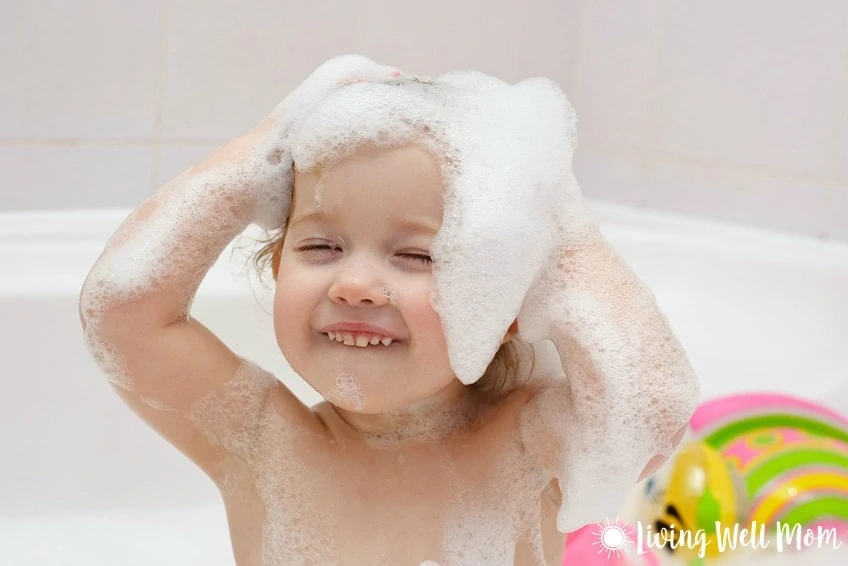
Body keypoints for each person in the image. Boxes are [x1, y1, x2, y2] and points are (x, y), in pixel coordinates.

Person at [78, 55, 699, 566]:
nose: (355, 284)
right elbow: (123, 310)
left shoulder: (527, 445)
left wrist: (559, 233)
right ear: (275, 268)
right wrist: (258, 156)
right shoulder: (261, 441)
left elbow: (649, 404)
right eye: (321, 246)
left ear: (505, 301)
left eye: (416, 257)